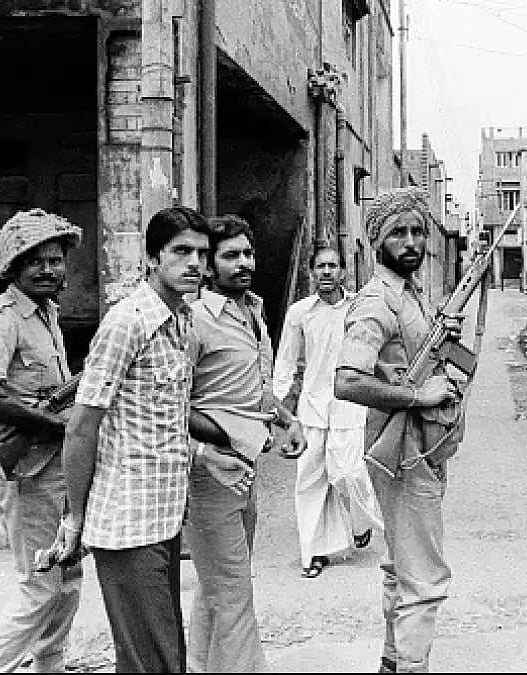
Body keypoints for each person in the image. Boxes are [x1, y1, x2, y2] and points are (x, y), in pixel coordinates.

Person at [56, 206, 211, 673]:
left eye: (202, 254)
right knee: (153, 661)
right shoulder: (127, 324)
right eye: (181, 252)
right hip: (126, 522)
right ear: (151, 258)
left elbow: (167, 419)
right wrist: (76, 516)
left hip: (163, 517)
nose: (195, 265)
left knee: (161, 656)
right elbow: (82, 425)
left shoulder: (181, 320)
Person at [334, 187, 463, 674]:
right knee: (425, 578)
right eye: (397, 233)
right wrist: (418, 396)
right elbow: (346, 381)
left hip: (421, 450)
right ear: (377, 243)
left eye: (417, 232)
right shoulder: (375, 303)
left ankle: (393, 661)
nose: (410, 242)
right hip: (403, 450)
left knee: (400, 565)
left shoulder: (410, 295)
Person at [183, 214, 306, 672]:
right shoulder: (192, 321)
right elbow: (173, 403)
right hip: (208, 473)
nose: (243, 263)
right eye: (230, 255)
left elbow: (254, 390)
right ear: (209, 267)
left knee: (216, 589)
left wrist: (286, 418)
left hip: (245, 467)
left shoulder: (254, 311)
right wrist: (218, 441)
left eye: (248, 253)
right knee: (233, 593)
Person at [0, 208, 84, 672]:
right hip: (27, 470)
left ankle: (49, 666)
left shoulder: (46, 314)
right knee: (40, 583)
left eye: (55, 259)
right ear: (13, 267)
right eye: (35, 261)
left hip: (58, 467)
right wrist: (58, 424)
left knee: (69, 576)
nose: (49, 269)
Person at [274, 246, 381, 579]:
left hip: (350, 402)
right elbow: (287, 360)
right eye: (320, 266)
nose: (326, 272)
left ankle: (361, 521)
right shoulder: (300, 312)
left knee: (348, 472)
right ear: (311, 272)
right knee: (310, 479)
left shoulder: (358, 309)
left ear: (343, 272)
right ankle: (314, 553)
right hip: (313, 406)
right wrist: (278, 407)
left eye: (332, 266)